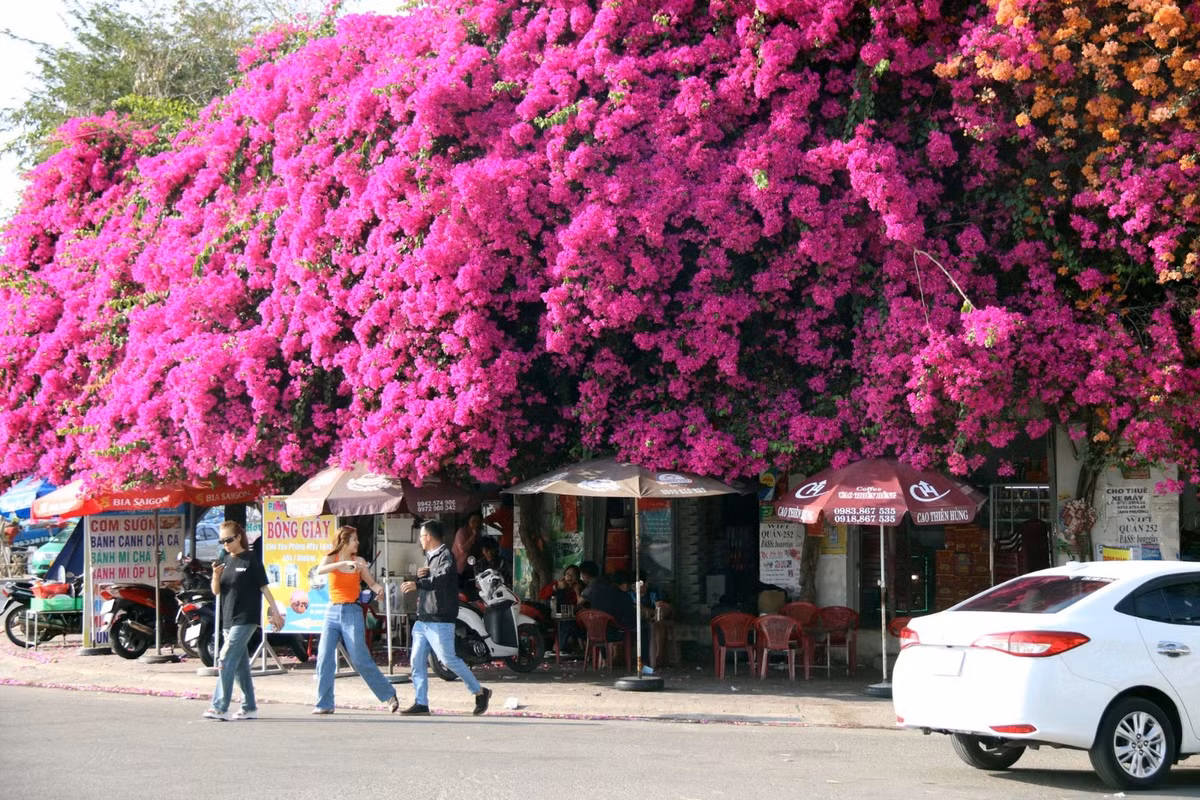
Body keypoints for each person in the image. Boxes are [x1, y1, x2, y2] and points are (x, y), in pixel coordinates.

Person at [400, 519, 491, 716]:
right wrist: (420, 577)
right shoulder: (430, 556)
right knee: (416, 660)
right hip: (424, 617)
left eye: (422, 536)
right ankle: (421, 702)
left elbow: (441, 579)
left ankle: (480, 691)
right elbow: (430, 579)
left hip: (440, 618)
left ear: (429, 537)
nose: (420, 540)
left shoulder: (445, 556)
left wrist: (419, 584)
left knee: (448, 659)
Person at [311, 525, 399, 715]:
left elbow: (372, 582)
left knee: (359, 657)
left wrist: (379, 590)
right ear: (344, 541)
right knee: (324, 657)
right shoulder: (331, 559)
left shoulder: (359, 562)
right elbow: (320, 570)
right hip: (332, 611)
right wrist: (340, 565)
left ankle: (389, 695)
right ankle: (324, 703)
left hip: (351, 610)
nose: (357, 543)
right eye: (354, 540)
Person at [204, 521, 285, 721]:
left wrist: (275, 613)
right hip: (227, 619)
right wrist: (215, 576)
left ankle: (219, 706)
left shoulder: (251, 559)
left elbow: (264, 588)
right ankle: (249, 707)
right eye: (222, 541)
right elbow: (217, 591)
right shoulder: (225, 560)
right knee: (240, 666)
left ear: (239, 537)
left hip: (246, 618)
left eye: (229, 540)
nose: (225, 544)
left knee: (225, 658)